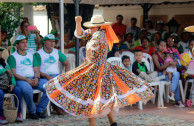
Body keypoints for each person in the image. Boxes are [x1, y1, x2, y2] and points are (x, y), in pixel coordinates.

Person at [44, 15, 154, 126]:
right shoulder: (95, 34)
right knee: (103, 96)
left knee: (92, 96)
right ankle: (112, 121)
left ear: (98, 27)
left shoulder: (99, 36)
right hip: (97, 68)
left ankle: (94, 123)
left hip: (96, 69)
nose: (90, 29)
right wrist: (78, 22)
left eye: (92, 27)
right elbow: (79, 34)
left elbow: (88, 45)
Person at [7, 35, 49, 119]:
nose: (25, 44)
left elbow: (36, 70)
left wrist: (37, 78)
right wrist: (26, 79)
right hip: (20, 80)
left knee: (49, 87)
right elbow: (13, 73)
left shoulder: (31, 55)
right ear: (17, 45)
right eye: (22, 42)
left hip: (33, 78)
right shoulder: (12, 56)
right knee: (27, 90)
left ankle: (39, 110)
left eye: (26, 42)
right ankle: (32, 111)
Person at [34, 34, 70, 115]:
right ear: (44, 42)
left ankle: (58, 106)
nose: (52, 43)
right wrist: (47, 76)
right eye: (50, 41)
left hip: (55, 76)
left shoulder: (57, 52)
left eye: (54, 41)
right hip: (42, 78)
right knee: (49, 87)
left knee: (68, 85)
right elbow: (36, 71)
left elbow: (67, 63)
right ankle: (40, 110)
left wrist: (66, 75)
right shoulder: (38, 54)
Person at [152, 40, 184, 107]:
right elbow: (160, 68)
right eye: (161, 45)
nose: (163, 47)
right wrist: (169, 63)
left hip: (170, 74)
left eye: (164, 46)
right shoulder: (155, 55)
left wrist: (173, 63)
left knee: (177, 74)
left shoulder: (167, 54)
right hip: (161, 75)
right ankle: (177, 100)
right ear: (158, 46)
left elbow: (176, 63)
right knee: (176, 79)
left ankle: (172, 93)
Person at [0, 47, 23, 125]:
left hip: (7, 85)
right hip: (0, 87)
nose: (0, 53)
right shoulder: (4, 67)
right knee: (0, 93)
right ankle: (0, 116)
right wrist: (4, 70)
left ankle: (18, 114)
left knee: (18, 90)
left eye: (0, 52)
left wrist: (13, 84)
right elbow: (7, 71)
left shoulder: (4, 63)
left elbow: (11, 75)